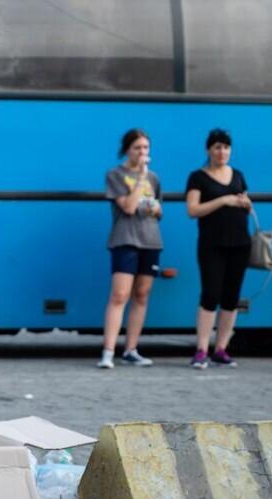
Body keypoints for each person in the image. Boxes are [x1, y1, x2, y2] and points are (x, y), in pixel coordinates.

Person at [185, 128, 253, 369]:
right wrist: (223, 200)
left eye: (225, 147)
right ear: (208, 150)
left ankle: (221, 349)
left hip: (240, 243)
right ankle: (202, 349)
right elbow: (193, 210)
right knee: (210, 294)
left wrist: (245, 204)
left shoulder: (238, 175)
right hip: (212, 244)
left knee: (231, 297)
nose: (222, 152)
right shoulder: (198, 177)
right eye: (217, 147)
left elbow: (246, 204)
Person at [98, 128, 163, 369]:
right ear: (127, 150)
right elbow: (127, 207)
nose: (143, 152)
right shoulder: (115, 175)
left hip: (151, 240)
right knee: (119, 295)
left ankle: (131, 349)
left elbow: (158, 210)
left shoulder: (154, 179)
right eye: (138, 148)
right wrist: (140, 179)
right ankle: (108, 351)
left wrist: (155, 208)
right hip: (125, 239)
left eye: (146, 148)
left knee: (142, 295)